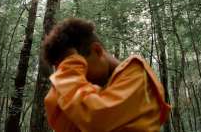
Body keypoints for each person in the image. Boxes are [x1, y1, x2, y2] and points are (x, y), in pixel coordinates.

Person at [43, 18, 171, 132]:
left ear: (97, 51)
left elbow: (96, 119)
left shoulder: (136, 72)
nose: (83, 81)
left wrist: (70, 73)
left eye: (82, 71)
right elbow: (65, 124)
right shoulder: (94, 94)